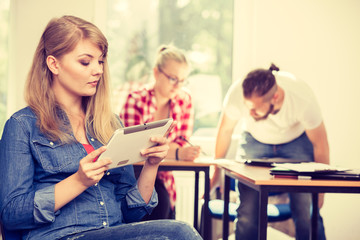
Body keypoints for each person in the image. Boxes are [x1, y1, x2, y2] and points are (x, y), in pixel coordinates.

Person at [0, 15, 202, 240]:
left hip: (111, 232)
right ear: (53, 64)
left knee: (177, 232)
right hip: (62, 236)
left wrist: (151, 166)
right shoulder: (21, 126)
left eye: (100, 61)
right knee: (179, 233)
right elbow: (11, 214)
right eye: (86, 62)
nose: (97, 70)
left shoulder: (110, 124)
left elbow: (133, 214)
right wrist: (78, 181)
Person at [211, 64, 329, 240]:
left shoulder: (302, 97)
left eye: (254, 109)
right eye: (247, 106)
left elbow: (320, 144)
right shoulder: (238, 92)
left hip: (295, 142)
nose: (249, 112)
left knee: (307, 212)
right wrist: (215, 172)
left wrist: (320, 191)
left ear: (275, 97)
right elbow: (225, 131)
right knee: (247, 212)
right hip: (254, 140)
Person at [120, 44, 201, 220]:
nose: (178, 85)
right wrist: (177, 152)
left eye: (182, 80)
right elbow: (136, 148)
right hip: (134, 175)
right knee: (158, 204)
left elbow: (182, 141)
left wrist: (172, 149)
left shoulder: (185, 100)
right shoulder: (135, 100)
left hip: (163, 176)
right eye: (173, 78)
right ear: (156, 73)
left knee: (165, 207)